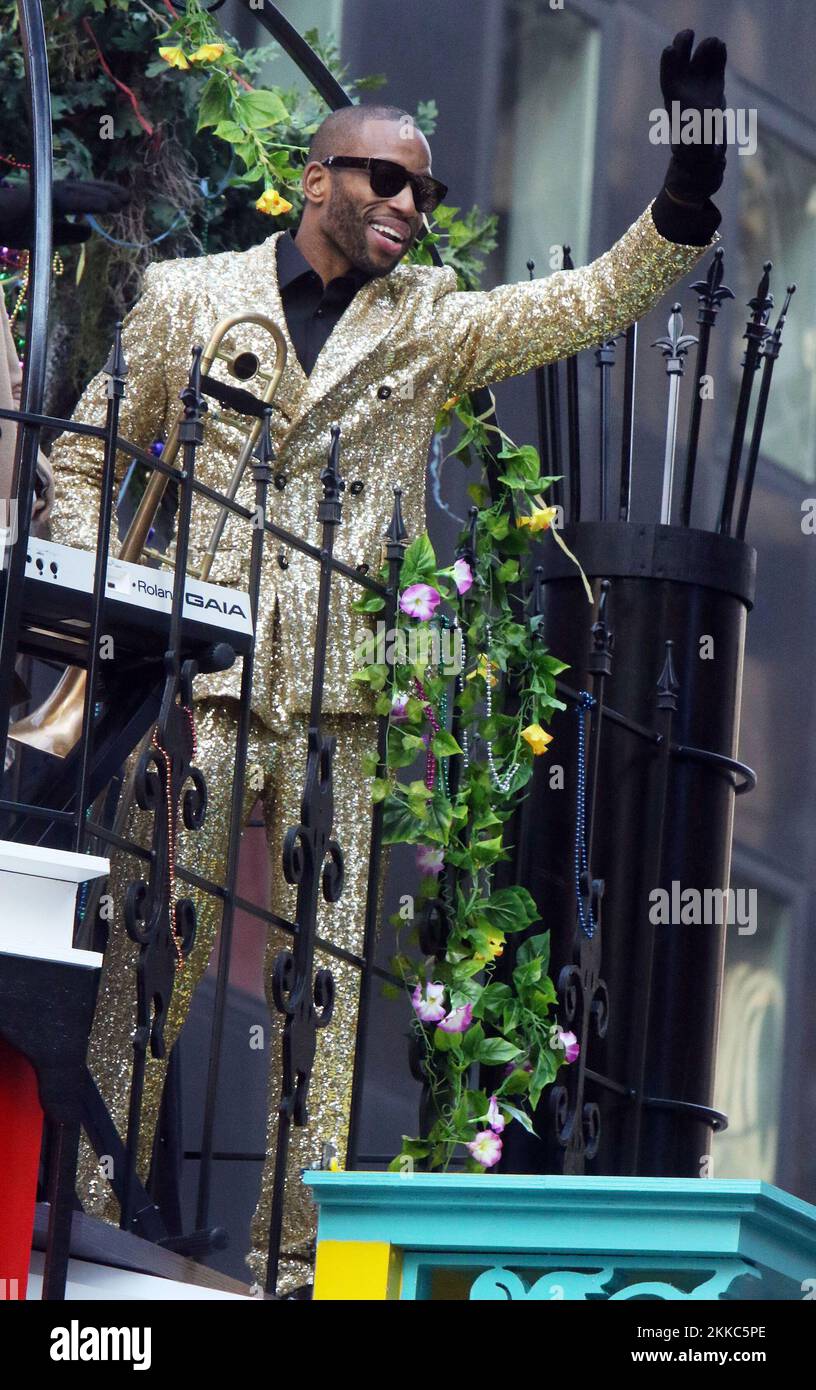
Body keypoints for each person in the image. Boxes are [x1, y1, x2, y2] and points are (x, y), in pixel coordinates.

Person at [46, 30, 727, 1294]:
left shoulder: (429, 322)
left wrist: (684, 188)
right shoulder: (193, 295)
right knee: (152, 951)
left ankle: (295, 1261)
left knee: (323, 989)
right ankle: (86, 1219)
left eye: (428, 190)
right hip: (198, 679)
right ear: (317, 179)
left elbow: (582, 304)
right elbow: (84, 457)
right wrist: (116, 601)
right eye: (386, 179)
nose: (411, 205)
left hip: (343, 704)